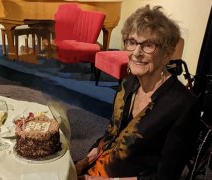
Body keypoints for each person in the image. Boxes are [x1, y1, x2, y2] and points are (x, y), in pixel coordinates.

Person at [75, 5, 200, 180]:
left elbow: (166, 176)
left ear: (167, 53)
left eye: (148, 45)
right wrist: (84, 161)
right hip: (100, 167)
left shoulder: (183, 105)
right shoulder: (128, 83)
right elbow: (111, 135)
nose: (136, 53)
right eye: (132, 42)